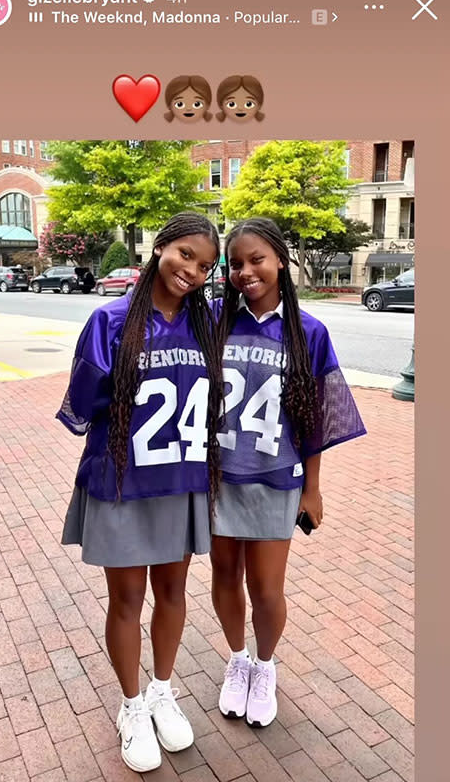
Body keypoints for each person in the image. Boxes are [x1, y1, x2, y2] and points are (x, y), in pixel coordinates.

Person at [56, 212, 222, 773]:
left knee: (173, 593)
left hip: (182, 481)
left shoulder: (210, 324)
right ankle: (131, 704)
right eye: (184, 254)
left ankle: (161, 690)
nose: (192, 270)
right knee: (127, 600)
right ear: (161, 247)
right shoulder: (109, 320)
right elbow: (83, 406)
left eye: (205, 265)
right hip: (125, 482)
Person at [211, 217, 366, 728]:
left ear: (280, 259)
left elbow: (317, 416)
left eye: (256, 259)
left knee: (267, 588)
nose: (246, 271)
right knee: (224, 575)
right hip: (218, 476)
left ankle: (264, 664)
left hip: (276, 475)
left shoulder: (308, 331)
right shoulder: (215, 320)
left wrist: (313, 489)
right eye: (235, 263)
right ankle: (237, 661)